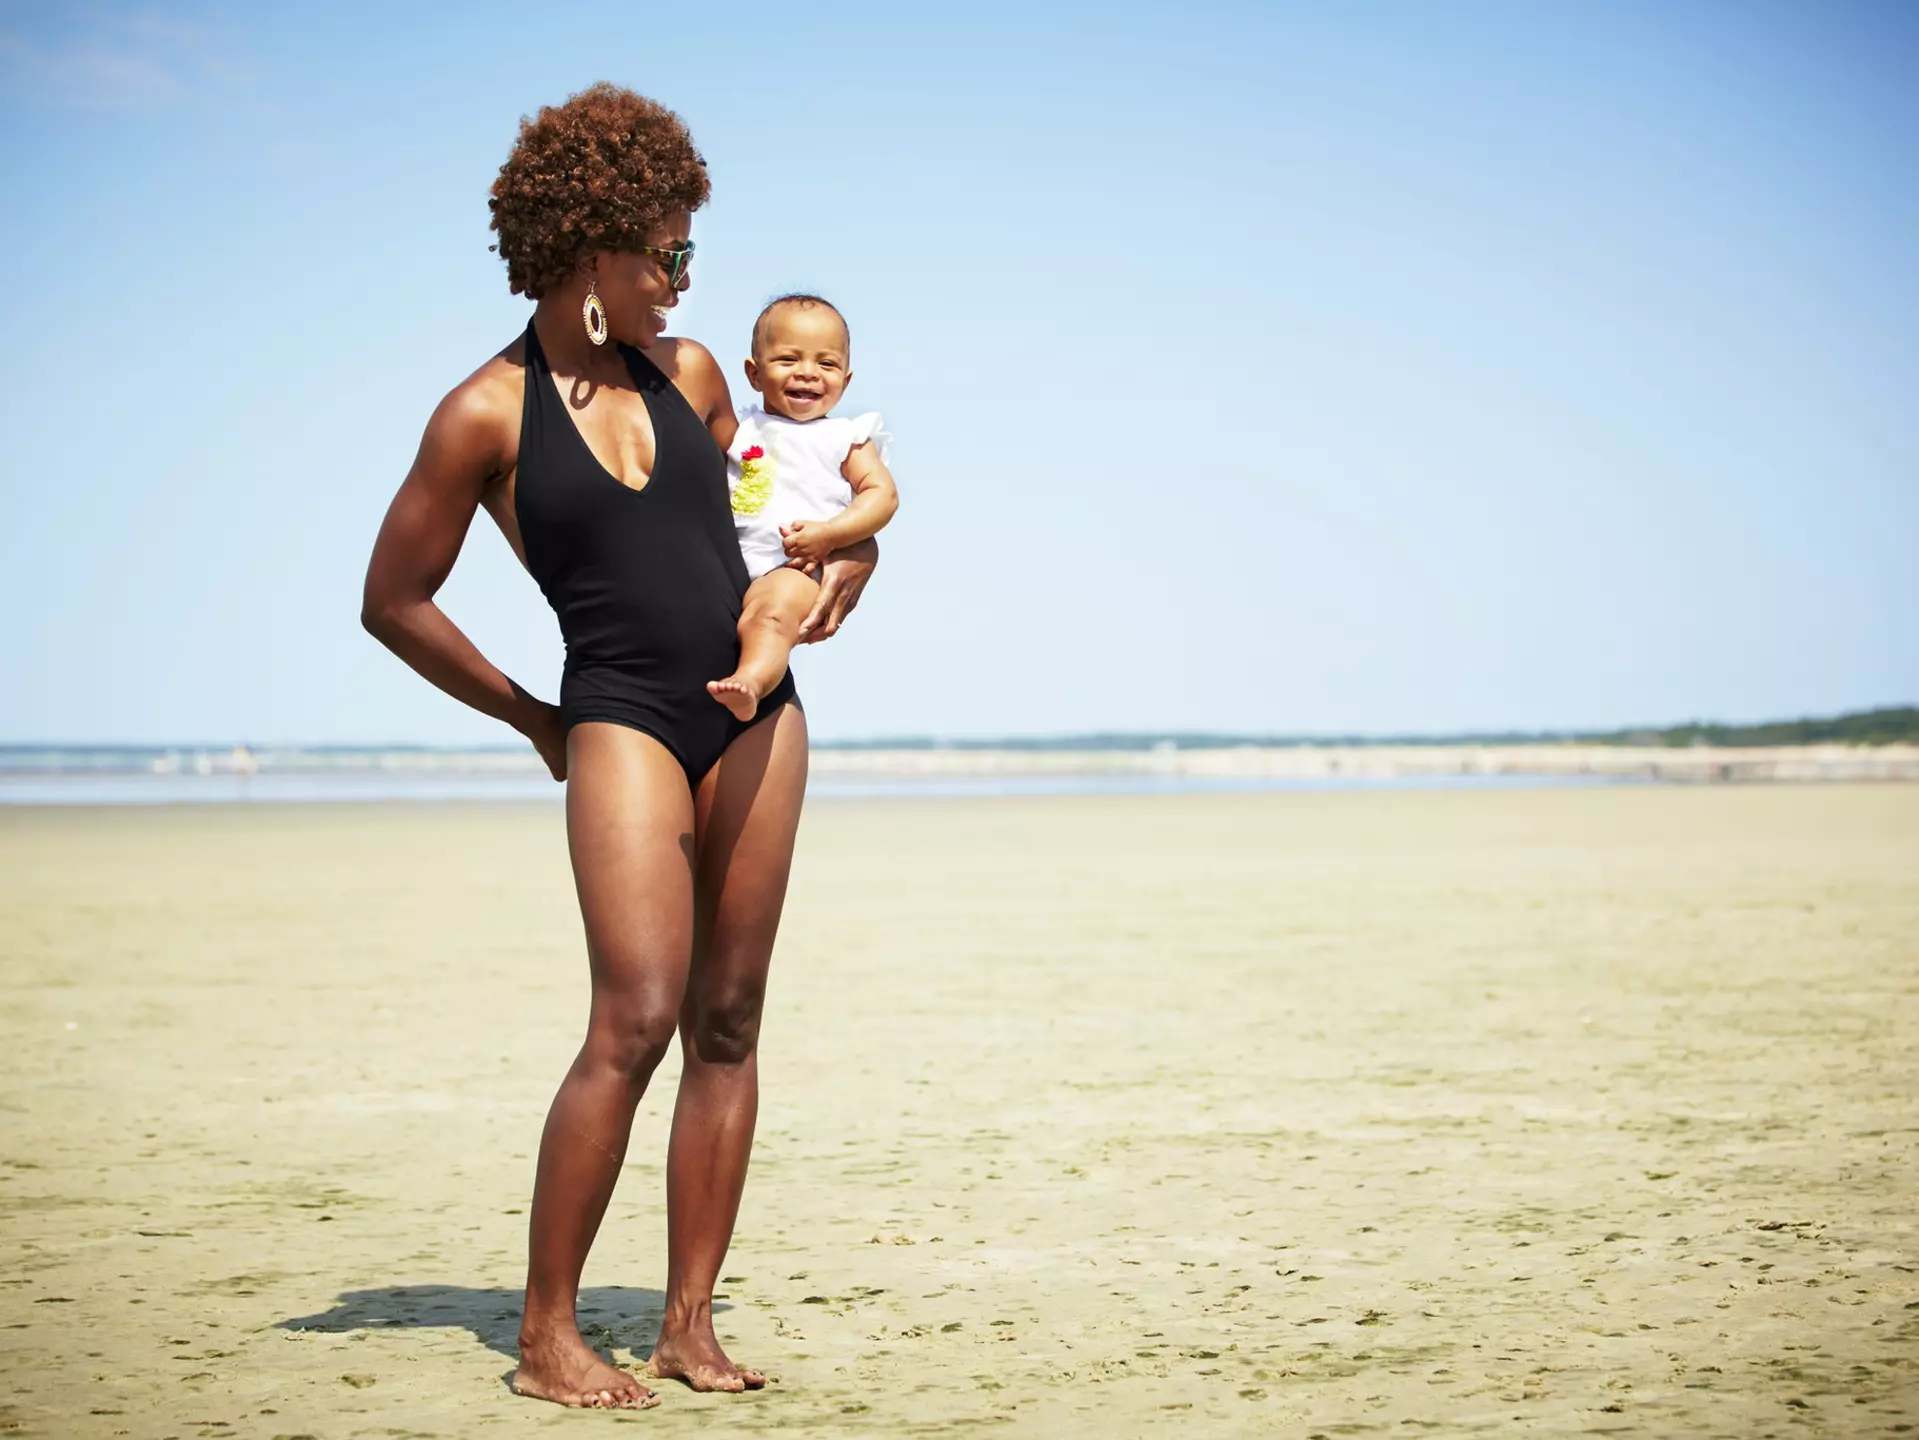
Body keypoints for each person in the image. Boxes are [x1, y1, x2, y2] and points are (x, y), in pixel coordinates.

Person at [359, 82, 877, 1410]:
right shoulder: (483, 414)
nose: (685, 281)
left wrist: (846, 554)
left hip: (753, 713)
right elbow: (394, 600)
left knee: (728, 1016)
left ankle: (687, 1325)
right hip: (619, 716)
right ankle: (546, 1333)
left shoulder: (695, 375)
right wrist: (534, 717)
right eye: (670, 252)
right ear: (592, 246)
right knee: (634, 1015)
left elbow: (768, 513)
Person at [706, 295, 898, 720]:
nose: (808, 373)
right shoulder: (741, 428)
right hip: (731, 569)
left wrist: (831, 535)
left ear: (845, 382)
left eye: (826, 364)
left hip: (795, 568)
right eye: (788, 359)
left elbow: (882, 495)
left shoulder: (845, 437)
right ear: (754, 374)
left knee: (769, 619)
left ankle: (751, 684)